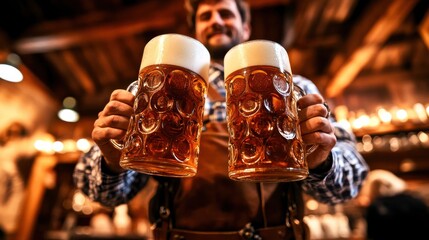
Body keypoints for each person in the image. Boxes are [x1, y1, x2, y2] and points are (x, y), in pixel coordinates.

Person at [73, 0, 369, 239]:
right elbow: (99, 192)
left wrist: (321, 161)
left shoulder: (293, 86)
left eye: (225, 13)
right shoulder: (157, 89)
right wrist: (112, 159)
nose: (216, 20)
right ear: (195, 30)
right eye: (206, 16)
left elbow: (350, 184)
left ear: (246, 26)